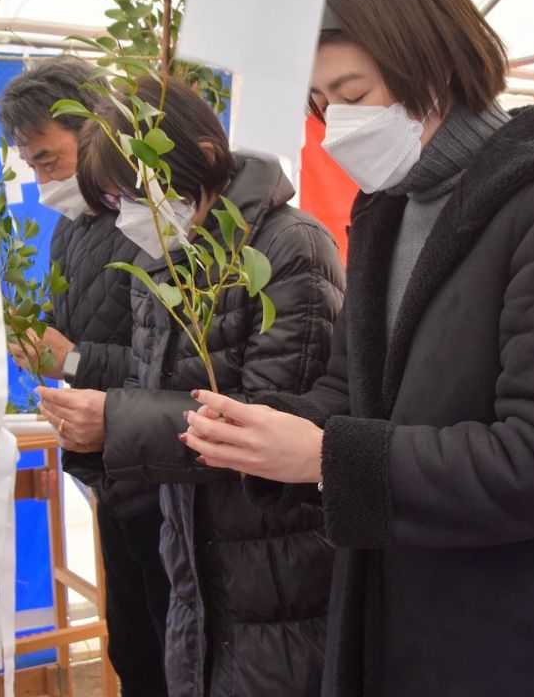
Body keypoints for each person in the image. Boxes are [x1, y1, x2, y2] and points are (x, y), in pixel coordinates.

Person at [180, 0, 534, 695]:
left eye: (353, 90)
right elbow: (351, 392)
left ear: (433, 62)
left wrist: (326, 458)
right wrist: (257, 435)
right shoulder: (389, 211)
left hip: (521, 634)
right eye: (320, 99)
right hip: (394, 609)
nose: (336, 121)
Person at [36, 76, 345, 695]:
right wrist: (95, 432)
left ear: (204, 156)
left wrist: (116, 421)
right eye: (118, 201)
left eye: (136, 194)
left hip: (274, 567)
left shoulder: (291, 246)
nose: (130, 218)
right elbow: (145, 381)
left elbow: (272, 416)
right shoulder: (162, 257)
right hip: (191, 564)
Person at [0, 57, 171, 694]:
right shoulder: (72, 232)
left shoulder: (152, 221)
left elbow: (177, 367)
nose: (44, 180)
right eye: (32, 164)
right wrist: (36, 341)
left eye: (50, 159)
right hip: (110, 472)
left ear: (98, 131)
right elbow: (80, 332)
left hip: (164, 477)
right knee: (131, 644)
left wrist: (68, 358)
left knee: (169, 646)